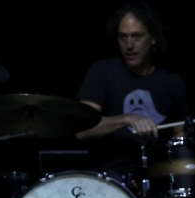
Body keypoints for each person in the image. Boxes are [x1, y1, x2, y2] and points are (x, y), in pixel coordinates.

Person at [76, 1, 189, 185]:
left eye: (137, 37)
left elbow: (180, 134)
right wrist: (128, 118)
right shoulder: (103, 71)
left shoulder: (172, 81)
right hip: (110, 174)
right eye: (123, 37)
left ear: (153, 38)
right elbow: (82, 130)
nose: (129, 45)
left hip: (158, 173)